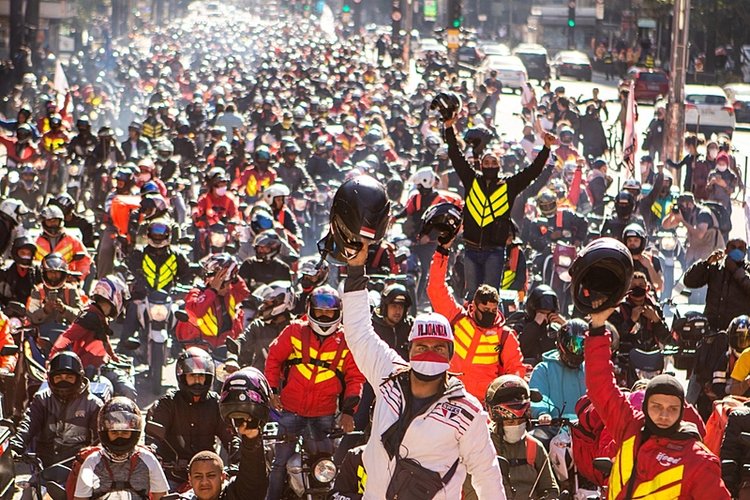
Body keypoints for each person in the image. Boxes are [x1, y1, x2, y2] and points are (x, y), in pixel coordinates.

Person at [341, 242, 505, 498]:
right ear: (410, 350)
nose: (429, 352)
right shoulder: (387, 375)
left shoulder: (468, 411)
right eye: (422, 346)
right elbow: (358, 332)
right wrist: (355, 269)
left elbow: (487, 475)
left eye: (439, 348)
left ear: (451, 354)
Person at [585, 307, 730, 498]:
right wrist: (597, 327)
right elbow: (600, 387)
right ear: (645, 407)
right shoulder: (630, 428)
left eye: (672, 409)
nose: (664, 415)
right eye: (656, 406)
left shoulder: (697, 459)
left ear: (682, 411)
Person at [264, 286, 365, 500]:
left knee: (326, 465)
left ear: (338, 313)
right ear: (310, 309)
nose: (324, 315)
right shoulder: (294, 331)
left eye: (330, 312)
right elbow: (273, 359)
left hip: (324, 414)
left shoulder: (346, 341)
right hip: (290, 410)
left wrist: (349, 412)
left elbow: (355, 378)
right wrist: (272, 391)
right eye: (320, 311)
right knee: (280, 463)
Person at [443, 101, 554, 295]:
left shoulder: (508, 185)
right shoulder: (473, 180)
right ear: (482, 165)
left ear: (499, 166)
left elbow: (532, 172)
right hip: (470, 249)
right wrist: (449, 127)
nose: (489, 164)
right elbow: (456, 156)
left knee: (491, 295)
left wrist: (546, 148)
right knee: (471, 296)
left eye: (493, 162)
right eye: (486, 162)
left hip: (494, 251)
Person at [427, 236, 526, 402]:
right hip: (448, 397)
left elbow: (516, 369)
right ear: (474, 305)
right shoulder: (457, 317)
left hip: (483, 407)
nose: (489, 313)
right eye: (485, 309)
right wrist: (442, 252)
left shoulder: (505, 336)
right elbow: (435, 288)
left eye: (493, 310)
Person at [146, 347, 236, 487]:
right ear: (182, 376)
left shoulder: (216, 403)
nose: (197, 381)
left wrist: (238, 460)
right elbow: (154, 438)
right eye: (192, 376)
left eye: (201, 376)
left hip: (207, 476)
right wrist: (152, 450)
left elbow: (230, 439)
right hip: (173, 476)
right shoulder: (168, 403)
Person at [463, 375, 559, 500]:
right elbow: (471, 493)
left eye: (521, 421)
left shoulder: (535, 447)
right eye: (510, 422)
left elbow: (550, 489)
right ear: (498, 422)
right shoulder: (481, 447)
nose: (516, 426)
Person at [50, 275, 137, 400]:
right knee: (128, 391)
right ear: (114, 295)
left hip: (101, 366)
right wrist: (52, 359)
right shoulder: (89, 316)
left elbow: (103, 339)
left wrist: (113, 356)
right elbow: (66, 337)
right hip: (89, 370)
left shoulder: (99, 315)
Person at [11, 351, 102, 468]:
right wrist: (15, 447)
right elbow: (28, 425)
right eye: (58, 377)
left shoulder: (93, 404)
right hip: (43, 467)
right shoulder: (42, 399)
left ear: (79, 378)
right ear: (50, 379)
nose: (63, 381)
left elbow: (99, 442)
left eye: (69, 377)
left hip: (80, 468)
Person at [73, 397, 169, 499]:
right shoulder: (92, 462)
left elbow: (161, 496)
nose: (119, 436)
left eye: (125, 432)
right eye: (114, 432)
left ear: (133, 433)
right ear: (105, 433)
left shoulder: (148, 459)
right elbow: (80, 498)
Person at [176, 253, 249, 351]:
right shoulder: (197, 293)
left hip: (223, 348)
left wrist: (234, 275)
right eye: (224, 284)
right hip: (200, 347)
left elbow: (244, 292)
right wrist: (213, 290)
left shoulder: (230, 293)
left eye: (229, 283)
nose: (228, 287)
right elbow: (195, 312)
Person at [683, 238, 750, 331]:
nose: (736, 251)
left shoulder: (747, 269)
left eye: (740, 248)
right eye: (733, 247)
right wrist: (706, 263)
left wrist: (736, 271)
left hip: (738, 332)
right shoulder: (715, 268)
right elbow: (689, 281)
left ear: (745, 252)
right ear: (726, 250)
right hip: (712, 329)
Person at [529, 319, 587, 422]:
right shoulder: (543, 369)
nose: (579, 351)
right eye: (574, 345)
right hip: (553, 428)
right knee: (534, 436)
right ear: (562, 344)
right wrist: (543, 413)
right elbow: (539, 397)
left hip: (587, 429)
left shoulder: (589, 370)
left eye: (583, 346)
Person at [235, 280, 295, 370]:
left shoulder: (296, 328)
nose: (262, 307)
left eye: (266, 303)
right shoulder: (258, 325)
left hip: (287, 381)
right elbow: (241, 341)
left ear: (281, 303)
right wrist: (232, 358)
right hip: (260, 381)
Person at [26, 252, 84, 341]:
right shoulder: (37, 291)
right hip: (42, 339)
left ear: (63, 274)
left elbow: (81, 317)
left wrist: (64, 309)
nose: (53, 276)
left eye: (57, 273)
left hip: (68, 337)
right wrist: (45, 310)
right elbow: (31, 317)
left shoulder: (71, 290)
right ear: (44, 273)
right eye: (50, 272)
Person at [608, 272, 670, 353]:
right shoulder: (619, 309)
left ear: (647, 288)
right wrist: (631, 321)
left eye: (641, 285)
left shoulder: (655, 308)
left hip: (651, 355)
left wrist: (656, 319)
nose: (637, 289)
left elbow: (666, 339)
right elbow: (614, 338)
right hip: (625, 356)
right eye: (633, 286)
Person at [663, 192, 724, 267]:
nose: (681, 208)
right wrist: (671, 214)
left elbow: (700, 234)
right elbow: (666, 226)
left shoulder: (703, 213)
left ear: (689, 204)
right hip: (695, 252)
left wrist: (682, 221)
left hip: (711, 252)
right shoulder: (687, 214)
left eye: (682, 205)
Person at [34, 204, 92, 281]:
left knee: (81, 293)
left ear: (60, 221)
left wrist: (78, 277)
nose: (52, 223)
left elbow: (84, 261)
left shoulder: (73, 240)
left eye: (55, 220)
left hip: (67, 280)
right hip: (41, 281)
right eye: (49, 221)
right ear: (43, 222)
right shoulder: (35, 242)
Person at [515, 285, 565, 366]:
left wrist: (565, 324)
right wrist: (535, 324)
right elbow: (519, 348)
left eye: (548, 313)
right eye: (541, 312)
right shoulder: (521, 324)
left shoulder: (556, 329)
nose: (545, 316)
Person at [622, 223, 664, 293]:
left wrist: (649, 266)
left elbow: (659, 286)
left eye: (636, 240)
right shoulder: (621, 259)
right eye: (629, 240)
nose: (632, 243)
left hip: (647, 299)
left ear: (642, 242)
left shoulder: (653, 259)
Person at [0, 235, 39, 307]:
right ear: (15, 253)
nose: (25, 257)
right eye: (22, 253)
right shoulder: (5, 272)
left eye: (28, 254)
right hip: (8, 312)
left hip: (33, 312)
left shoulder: (38, 272)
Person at [725, 316, 750, 396]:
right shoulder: (746, 355)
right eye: (739, 339)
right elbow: (734, 390)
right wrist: (746, 383)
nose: (742, 343)